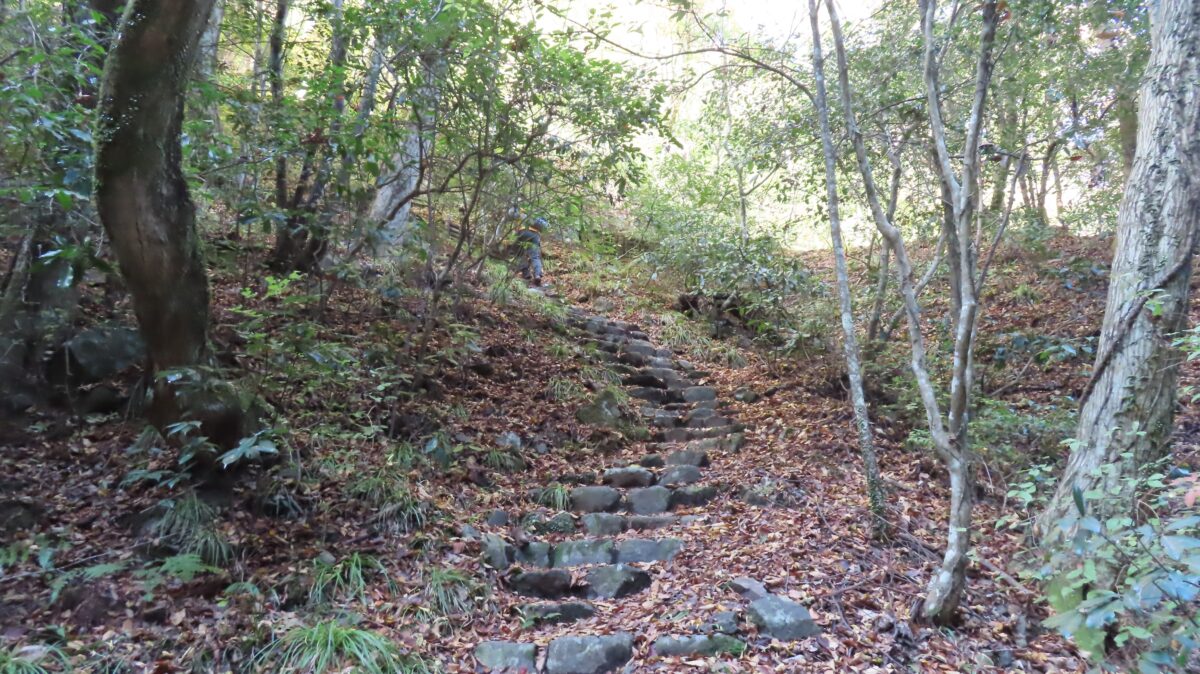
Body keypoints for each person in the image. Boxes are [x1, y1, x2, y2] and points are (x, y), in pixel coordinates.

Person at [515, 216, 546, 286]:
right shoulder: (536, 222)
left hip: (522, 232)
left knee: (519, 254)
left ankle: (526, 273)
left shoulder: (522, 215)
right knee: (535, 257)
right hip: (535, 235)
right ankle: (537, 275)